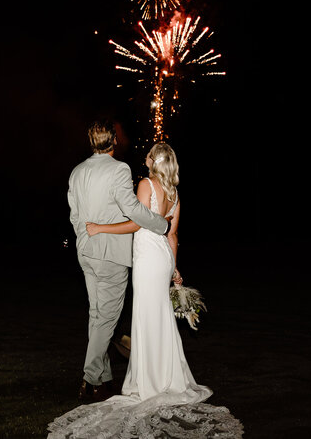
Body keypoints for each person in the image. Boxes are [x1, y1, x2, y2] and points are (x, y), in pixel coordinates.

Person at [48, 142, 244, 439]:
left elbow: (135, 222)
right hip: (162, 260)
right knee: (160, 316)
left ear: (154, 162)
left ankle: (147, 382)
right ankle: (167, 377)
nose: (145, 156)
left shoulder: (145, 184)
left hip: (147, 260)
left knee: (144, 316)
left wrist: (101, 228)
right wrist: (174, 268)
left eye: (149, 154)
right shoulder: (175, 194)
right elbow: (172, 234)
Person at [66, 120, 169, 403]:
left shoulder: (77, 172)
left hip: (85, 252)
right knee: (107, 319)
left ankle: (103, 379)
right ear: (113, 141)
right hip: (110, 254)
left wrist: (83, 240)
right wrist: (160, 224)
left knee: (98, 316)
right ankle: (89, 379)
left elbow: (75, 216)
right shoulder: (119, 169)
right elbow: (132, 209)